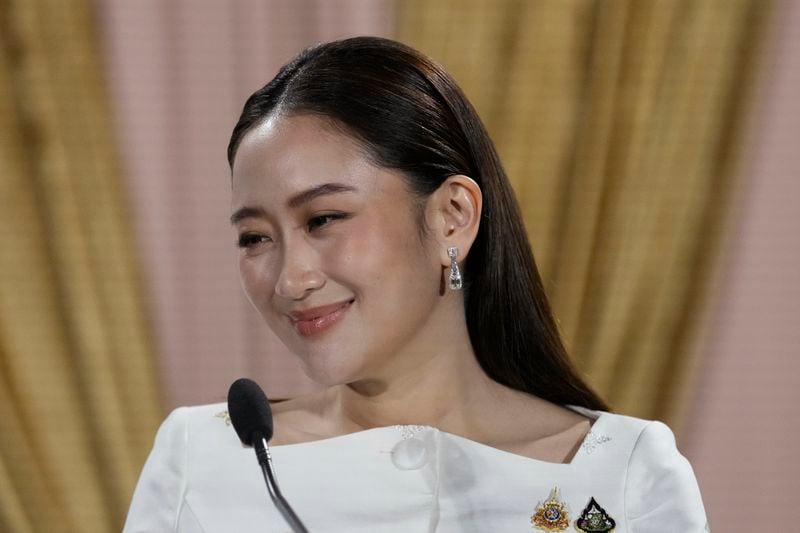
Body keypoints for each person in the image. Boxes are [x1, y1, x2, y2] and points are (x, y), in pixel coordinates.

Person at [123, 36, 708, 532]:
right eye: (255, 237)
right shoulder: (205, 458)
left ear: (452, 215)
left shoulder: (623, 472)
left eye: (324, 219)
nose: (291, 279)